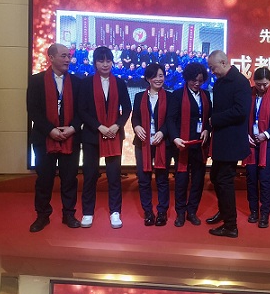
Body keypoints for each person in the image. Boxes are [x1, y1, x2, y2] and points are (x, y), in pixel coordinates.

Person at [27, 43, 81, 232]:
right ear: (51, 57)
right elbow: (33, 110)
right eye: (63, 56)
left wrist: (72, 129)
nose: (68, 59)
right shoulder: (36, 81)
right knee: (44, 179)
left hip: (70, 138)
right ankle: (42, 215)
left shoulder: (77, 82)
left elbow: (82, 111)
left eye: (69, 56)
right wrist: (51, 130)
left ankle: (69, 214)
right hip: (44, 138)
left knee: (69, 179)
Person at [79, 46, 132, 229]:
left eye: (108, 60)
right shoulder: (86, 83)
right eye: (101, 61)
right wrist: (99, 127)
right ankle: (87, 212)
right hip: (92, 135)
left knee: (114, 175)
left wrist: (117, 126)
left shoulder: (120, 83)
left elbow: (127, 108)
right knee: (90, 174)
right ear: (95, 62)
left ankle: (115, 212)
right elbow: (82, 110)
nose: (105, 64)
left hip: (114, 135)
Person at [205, 50, 251, 238]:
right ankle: (224, 212)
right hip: (221, 140)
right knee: (216, 177)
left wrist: (214, 120)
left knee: (224, 181)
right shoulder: (220, 82)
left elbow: (241, 111)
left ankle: (231, 225)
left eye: (213, 67)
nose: (212, 71)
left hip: (231, 142)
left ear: (223, 63)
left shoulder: (240, 82)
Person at [167, 62, 212, 227]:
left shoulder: (206, 95)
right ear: (187, 78)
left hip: (200, 145)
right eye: (194, 80)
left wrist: (207, 129)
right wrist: (175, 138)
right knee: (181, 180)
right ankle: (180, 212)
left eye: (200, 80)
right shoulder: (177, 95)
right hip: (182, 144)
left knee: (198, 180)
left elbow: (209, 118)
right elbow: (170, 119)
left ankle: (192, 211)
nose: (197, 83)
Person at [132, 63, 175, 226]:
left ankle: (162, 212)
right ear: (148, 79)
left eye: (161, 75)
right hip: (142, 142)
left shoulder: (170, 97)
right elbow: (135, 117)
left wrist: (162, 132)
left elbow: (171, 119)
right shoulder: (139, 97)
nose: (158, 79)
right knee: (143, 179)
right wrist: (136, 126)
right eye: (155, 76)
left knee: (162, 179)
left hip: (162, 142)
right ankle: (148, 212)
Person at [244, 68, 270, 228]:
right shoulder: (248, 93)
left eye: (265, 84)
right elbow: (241, 117)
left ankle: (265, 213)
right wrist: (245, 134)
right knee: (251, 177)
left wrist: (266, 134)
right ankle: (253, 211)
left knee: (265, 178)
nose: (262, 88)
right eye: (259, 84)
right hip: (250, 142)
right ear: (254, 81)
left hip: (267, 143)